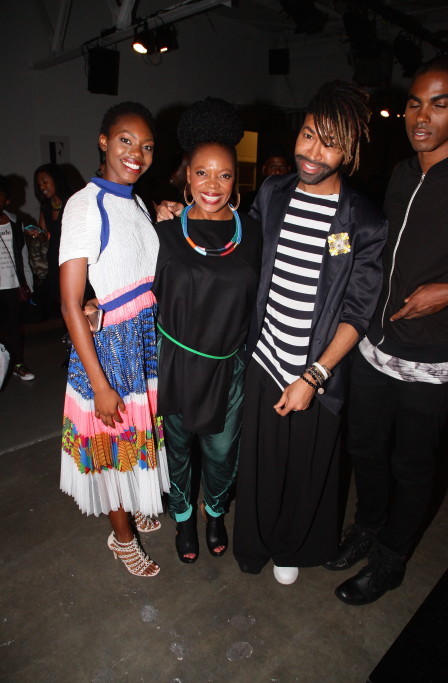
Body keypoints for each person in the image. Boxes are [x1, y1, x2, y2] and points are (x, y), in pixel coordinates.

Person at [232, 80, 388, 585]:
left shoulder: (363, 221)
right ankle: (255, 542)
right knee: (260, 462)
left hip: (317, 372)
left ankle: (290, 548)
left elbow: (358, 313)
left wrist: (313, 376)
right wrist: (190, 216)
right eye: (307, 135)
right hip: (264, 357)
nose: (313, 152)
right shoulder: (273, 192)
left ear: (350, 151)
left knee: (306, 469)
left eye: (330, 143)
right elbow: (241, 245)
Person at [327, 55, 448, 605]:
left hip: (432, 355)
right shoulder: (403, 172)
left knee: (412, 465)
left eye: (440, 104)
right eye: (415, 103)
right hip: (375, 346)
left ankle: (391, 558)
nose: (422, 116)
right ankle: (367, 528)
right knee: (365, 446)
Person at [59, 101, 169, 577]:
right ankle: (122, 539)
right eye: (126, 140)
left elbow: (136, 271)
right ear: (104, 141)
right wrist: (100, 385)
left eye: (147, 146)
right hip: (109, 352)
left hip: (143, 341)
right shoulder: (84, 205)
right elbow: (70, 303)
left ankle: (137, 502)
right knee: (111, 451)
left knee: (137, 439)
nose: (136, 154)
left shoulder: (137, 201)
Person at [153, 98, 262, 563]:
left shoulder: (253, 234)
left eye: (224, 175)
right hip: (176, 365)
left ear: (236, 180)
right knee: (177, 451)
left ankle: (214, 512)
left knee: (221, 454)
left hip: (228, 368)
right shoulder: (164, 232)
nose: (212, 185)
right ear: (187, 176)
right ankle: (183, 519)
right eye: (202, 173)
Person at [0, 175, 34, 380]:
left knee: (13, 328)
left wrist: (27, 284)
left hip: (12, 285)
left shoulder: (15, 223)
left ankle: (17, 364)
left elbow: (23, 256)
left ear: (6, 200)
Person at [34, 163, 72, 315]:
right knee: (59, 299)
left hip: (72, 256)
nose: (42, 187)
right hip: (54, 257)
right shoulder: (45, 207)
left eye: (45, 182)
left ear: (56, 179)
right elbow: (44, 237)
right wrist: (37, 234)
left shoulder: (73, 201)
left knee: (74, 297)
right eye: (39, 184)